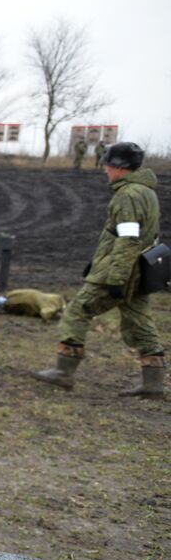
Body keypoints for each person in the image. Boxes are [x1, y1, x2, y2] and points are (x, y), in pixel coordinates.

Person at [33, 142, 163, 398]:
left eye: (108, 165)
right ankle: (154, 383)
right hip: (137, 270)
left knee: (77, 311)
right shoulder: (146, 192)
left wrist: (115, 277)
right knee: (140, 322)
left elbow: (128, 239)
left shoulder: (128, 195)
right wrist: (99, 261)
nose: (105, 170)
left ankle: (63, 372)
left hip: (122, 271)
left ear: (120, 167)